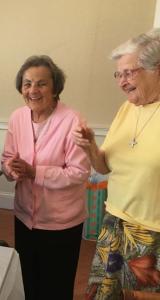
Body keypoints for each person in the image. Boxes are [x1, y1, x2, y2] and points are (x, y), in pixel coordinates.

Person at [73, 29, 160, 299]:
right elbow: (104, 167)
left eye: (128, 72)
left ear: (156, 68)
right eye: (118, 74)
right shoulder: (126, 109)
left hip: (152, 234)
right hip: (114, 224)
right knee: (105, 295)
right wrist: (90, 147)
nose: (121, 82)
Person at [1, 55, 91, 300]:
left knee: (56, 287)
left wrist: (35, 172)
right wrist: (12, 169)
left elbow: (79, 173)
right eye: (27, 83)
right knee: (28, 280)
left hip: (60, 223)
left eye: (41, 83)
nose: (33, 90)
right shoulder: (17, 117)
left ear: (55, 87)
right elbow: (8, 157)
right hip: (24, 217)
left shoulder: (73, 121)